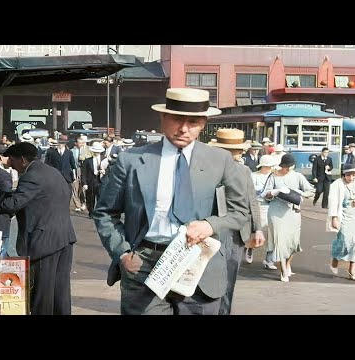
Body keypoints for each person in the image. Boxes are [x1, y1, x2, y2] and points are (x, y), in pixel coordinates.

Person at [93, 88, 250, 315]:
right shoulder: (133, 160)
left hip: (200, 265)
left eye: (193, 122)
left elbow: (240, 212)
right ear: (163, 118)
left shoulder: (220, 160)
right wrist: (123, 254)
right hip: (145, 265)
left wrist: (210, 225)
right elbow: (105, 213)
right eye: (177, 119)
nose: (184, 128)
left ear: (203, 123)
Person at [0, 142, 77, 315]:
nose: (11, 166)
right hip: (63, 237)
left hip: (45, 240)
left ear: (22, 160)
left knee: (42, 294)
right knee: (59, 292)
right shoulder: (49, 171)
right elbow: (22, 196)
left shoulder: (31, 176)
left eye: (12, 162)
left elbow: (13, 204)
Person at [208, 129, 265, 315]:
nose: (237, 155)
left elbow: (252, 200)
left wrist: (257, 228)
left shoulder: (244, 170)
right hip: (212, 229)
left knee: (229, 278)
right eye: (234, 151)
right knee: (209, 277)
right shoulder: (206, 168)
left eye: (237, 151)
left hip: (235, 233)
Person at [262, 154, 315, 282]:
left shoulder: (298, 176)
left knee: (292, 242)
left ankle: (288, 264)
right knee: (280, 241)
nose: (287, 170)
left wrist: (299, 194)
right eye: (285, 167)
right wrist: (274, 192)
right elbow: (264, 194)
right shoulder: (273, 176)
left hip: (293, 212)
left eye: (289, 167)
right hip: (276, 212)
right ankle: (283, 270)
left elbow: (310, 190)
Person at [327, 164, 355, 281]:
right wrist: (334, 217)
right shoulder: (337, 184)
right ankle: (335, 258)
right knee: (345, 241)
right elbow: (333, 202)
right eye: (348, 175)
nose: (351, 178)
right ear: (344, 174)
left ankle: (352, 271)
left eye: (353, 175)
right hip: (346, 216)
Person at [250, 155, 278, 270]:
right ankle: (250, 248)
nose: (270, 168)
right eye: (269, 166)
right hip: (259, 206)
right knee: (257, 230)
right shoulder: (253, 175)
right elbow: (250, 190)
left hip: (272, 206)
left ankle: (269, 259)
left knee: (272, 234)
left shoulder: (274, 176)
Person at [82, 141, 105, 218]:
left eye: (98, 152)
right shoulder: (87, 161)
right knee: (90, 198)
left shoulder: (104, 159)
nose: (97, 153)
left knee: (101, 198)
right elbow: (84, 173)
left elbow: (110, 171)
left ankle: (99, 212)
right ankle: (91, 212)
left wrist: (104, 171)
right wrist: (84, 183)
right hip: (91, 181)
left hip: (101, 181)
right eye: (95, 151)